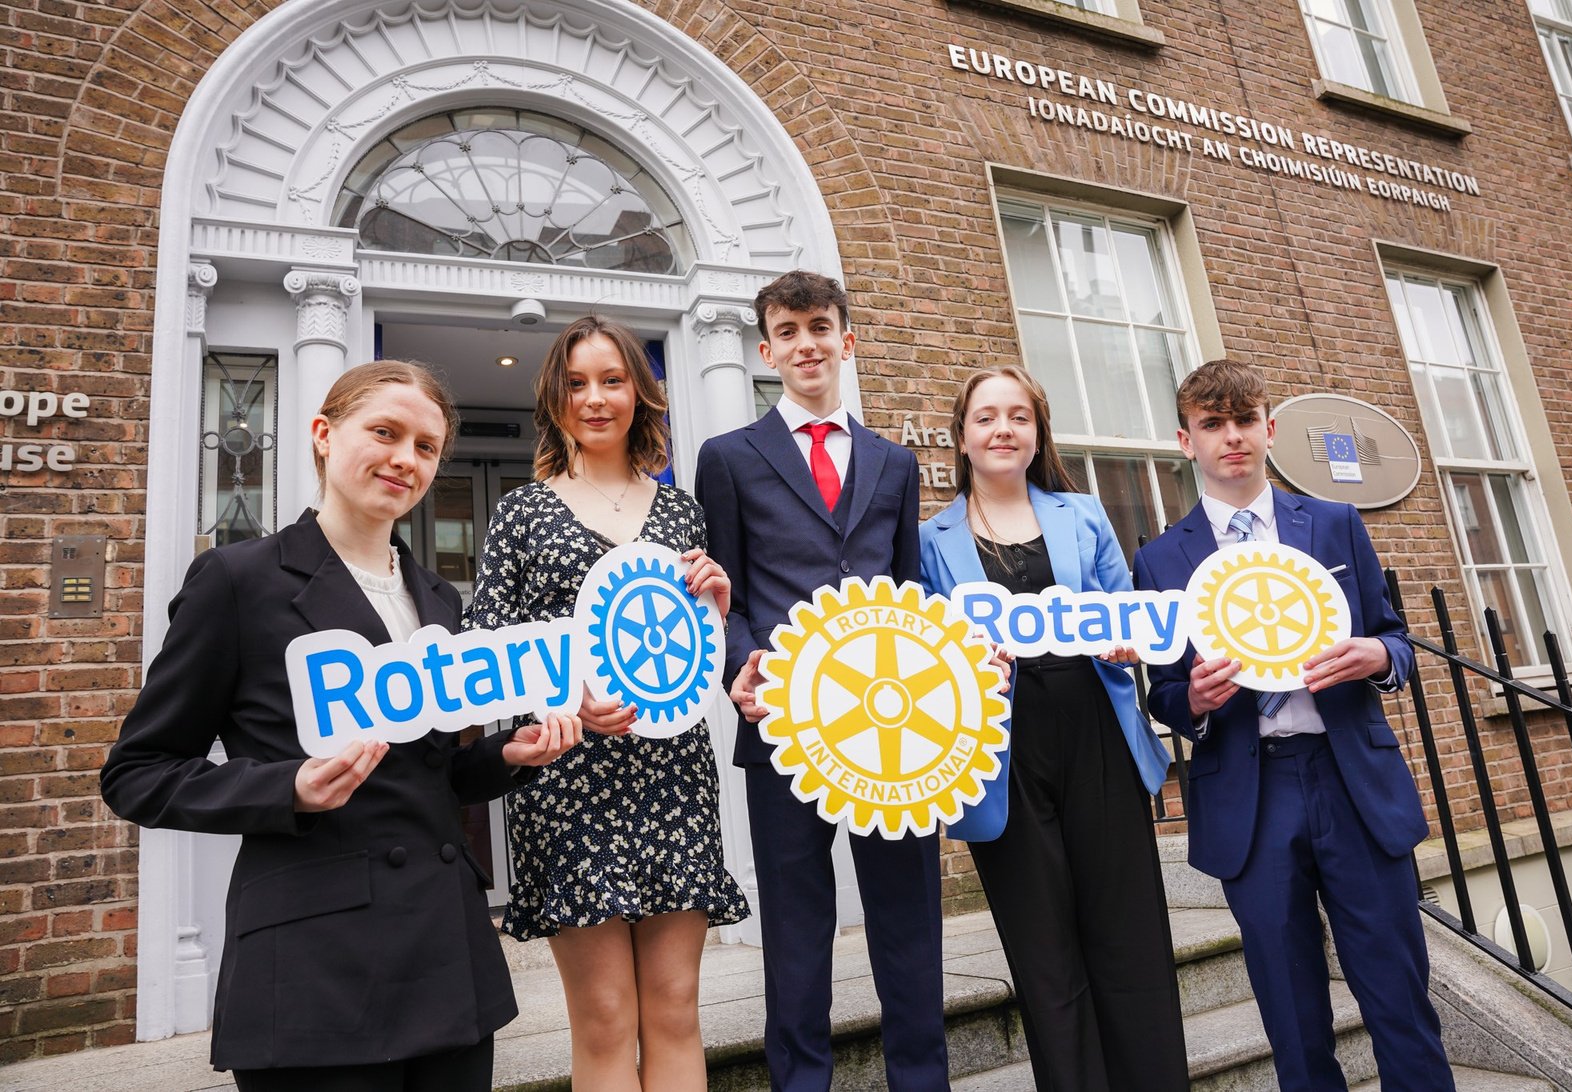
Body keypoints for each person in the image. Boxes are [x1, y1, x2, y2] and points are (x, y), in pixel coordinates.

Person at [101, 360, 582, 1091]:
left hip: (445, 958)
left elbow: (433, 776)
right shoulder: (238, 581)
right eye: (385, 432)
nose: (405, 459)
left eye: (426, 448)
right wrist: (286, 788)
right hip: (313, 967)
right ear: (325, 435)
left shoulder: (438, 600)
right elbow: (136, 774)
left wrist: (510, 756)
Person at [1132, 359, 1453, 1091]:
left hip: (1351, 782)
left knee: (1397, 991)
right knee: (1289, 1007)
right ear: (1186, 441)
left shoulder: (1335, 525)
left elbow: (1396, 640)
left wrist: (1376, 655)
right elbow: (1163, 693)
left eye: (1244, 421)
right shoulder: (1159, 559)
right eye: (1212, 425)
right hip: (1251, 790)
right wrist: (1196, 701)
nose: (1231, 438)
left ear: (1268, 429)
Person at [464, 315, 747, 1092]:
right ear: (555, 399)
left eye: (612, 380)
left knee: (677, 1006)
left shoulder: (682, 511)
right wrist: (562, 698)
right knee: (604, 1018)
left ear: (639, 393)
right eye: (577, 383)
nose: (595, 398)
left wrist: (716, 608)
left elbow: (694, 649)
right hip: (569, 784)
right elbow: (482, 649)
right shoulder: (522, 513)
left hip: (673, 776)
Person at [694, 270, 947, 1092]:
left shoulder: (893, 462)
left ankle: (922, 1081)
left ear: (846, 339)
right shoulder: (728, 458)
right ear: (765, 351)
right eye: (788, 331)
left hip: (892, 728)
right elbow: (718, 591)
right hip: (783, 729)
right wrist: (739, 661)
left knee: (909, 924)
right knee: (797, 930)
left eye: (819, 327)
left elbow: (910, 594)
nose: (805, 344)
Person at [918, 365, 1189, 1091]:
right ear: (962, 436)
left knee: (1127, 937)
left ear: (1036, 434)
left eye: (1017, 416)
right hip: (997, 750)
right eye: (985, 417)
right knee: (1043, 955)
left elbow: (1121, 608)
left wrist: (1128, 638)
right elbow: (919, 658)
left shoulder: (1082, 513)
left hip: (1094, 726)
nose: (1002, 428)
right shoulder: (928, 541)